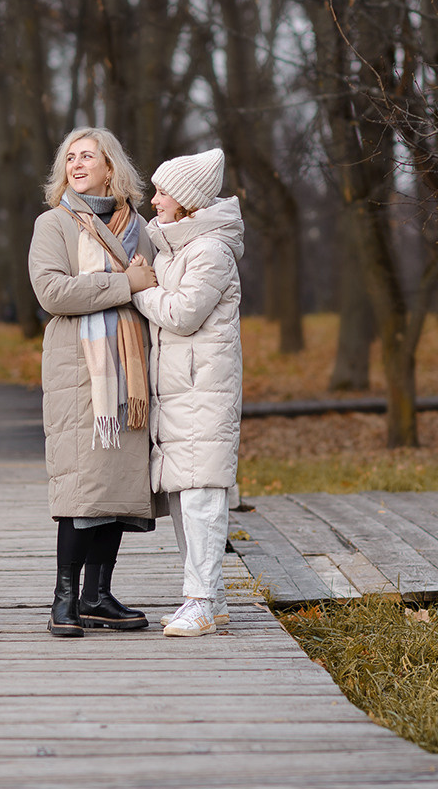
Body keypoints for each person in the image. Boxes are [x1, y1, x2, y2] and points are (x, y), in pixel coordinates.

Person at [28, 127, 161, 637]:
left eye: (89, 156)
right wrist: (125, 284)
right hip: (79, 369)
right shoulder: (54, 223)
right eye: (70, 158)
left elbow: (159, 282)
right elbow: (53, 292)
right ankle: (63, 599)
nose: (77, 164)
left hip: (128, 370)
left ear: (111, 167)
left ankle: (98, 596)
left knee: (117, 484)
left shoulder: (139, 227)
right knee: (82, 485)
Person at [130, 148, 243, 637]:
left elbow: (181, 313)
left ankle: (198, 600)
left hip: (203, 392)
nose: (154, 200)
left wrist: (137, 289)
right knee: (183, 494)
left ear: (189, 202)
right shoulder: (177, 249)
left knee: (200, 495)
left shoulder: (210, 251)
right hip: (178, 392)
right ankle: (210, 600)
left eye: (162, 192)